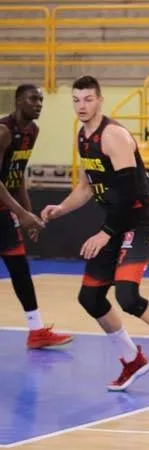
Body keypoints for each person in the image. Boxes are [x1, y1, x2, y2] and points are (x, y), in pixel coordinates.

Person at [40, 76, 149, 391]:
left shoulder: (114, 135)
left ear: (100, 100)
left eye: (88, 99)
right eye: (76, 100)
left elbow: (129, 192)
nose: (81, 106)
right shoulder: (83, 137)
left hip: (139, 221)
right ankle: (133, 360)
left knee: (127, 296)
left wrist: (105, 233)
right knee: (91, 298)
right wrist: (61, 208)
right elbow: (86, 186)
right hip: (116, 222)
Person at [0, 84, 72, 349]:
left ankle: (36, 330)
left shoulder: (33, 131)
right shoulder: (3, 131)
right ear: (18, 101)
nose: (39, 103)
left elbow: (17, 175)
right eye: (33, 99)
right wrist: (21, 213)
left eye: (41, 100)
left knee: (19, 268)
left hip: (4, 211)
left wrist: (28, 214)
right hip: (5, 207)